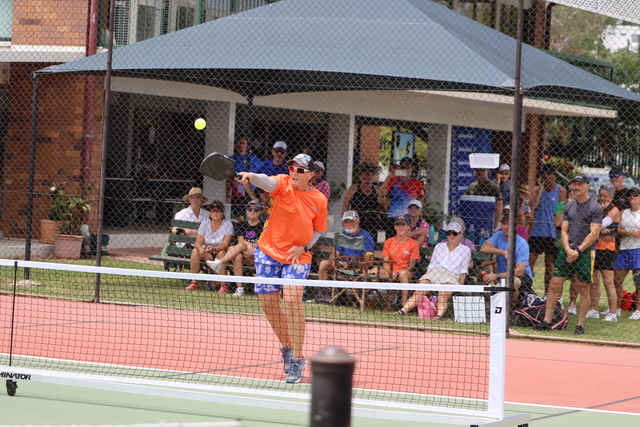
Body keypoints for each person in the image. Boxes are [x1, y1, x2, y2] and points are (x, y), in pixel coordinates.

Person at [237, 153, 328, 384]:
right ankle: (287, 347)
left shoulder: (319, 199)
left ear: (310, 174)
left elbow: (319, 229)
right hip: (268, 252)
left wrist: (305, 247)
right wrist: (251, 176)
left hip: (298, 256)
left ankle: (297, 359)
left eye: (300, 170)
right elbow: (266, 181)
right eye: (292, 168)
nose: (294, 172)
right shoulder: (282, 183)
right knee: (269, 305)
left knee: (292, 303)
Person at [535, 176, 602, 335]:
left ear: (587, 186)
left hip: (585, 252)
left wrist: (578, 250)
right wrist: (567, 249)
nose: (576, 187)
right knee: (554, 283)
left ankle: (580, 325)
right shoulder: (569, 206)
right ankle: (547, 321)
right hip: (566, 251)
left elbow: (594, 233)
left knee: (583, 286)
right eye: (574, 184)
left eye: (579, 184)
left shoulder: (595, 207)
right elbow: (563, 230)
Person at [395, 222, 471, 318]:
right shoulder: (439, 246)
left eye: (454, 233)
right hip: (434, 272)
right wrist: (427, 276)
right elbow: (432, 264)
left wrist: (461, 285)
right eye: (449, 233)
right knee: (420, 290)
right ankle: (403, 310)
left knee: (443, 294)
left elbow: (463, 270)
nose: (451, 235)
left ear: (460, 234)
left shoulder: (465, 249)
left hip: (451, 274)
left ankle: (438, 316)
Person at [206, 200, 264, 296]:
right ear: (246, 210)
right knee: (238, 256)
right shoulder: (241, 225)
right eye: (250, 209)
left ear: (260, 211)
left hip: (257, 254)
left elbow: (261, 242)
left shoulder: (263, 225)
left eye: (256, 209)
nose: (252, 211)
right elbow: (240, 240)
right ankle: (240, 288)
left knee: (240, 247)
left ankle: (220, 262)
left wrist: (250, 245)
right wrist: (248, 244)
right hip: (245, 252)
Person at [315, 210, 374, 304]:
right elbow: (335, 253)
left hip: (358, 267)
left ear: (358, 222)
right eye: (346, 222)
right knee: (323, 264)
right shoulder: (342, 236)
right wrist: (335, 261)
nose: (348, 224)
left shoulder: (366, 236)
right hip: (342, 266)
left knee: (356, 264)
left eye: (351, 221)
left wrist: (351, 264)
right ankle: (323, 298)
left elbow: (368, 258)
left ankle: (356, 300)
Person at [528, 163, 566, 295]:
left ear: (554, 175)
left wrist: (559, 231)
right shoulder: (537, 189)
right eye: (544, 174)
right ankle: (527, 289)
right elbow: (532, 206)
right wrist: (539, 189)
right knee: (530, 262)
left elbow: (561, 211)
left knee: (549, 264)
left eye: (549, 174)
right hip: (537, 231)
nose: (546, 176)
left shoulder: (560, 191)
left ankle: (547, 294)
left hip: (552, 232)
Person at [480, 213, 534, 304]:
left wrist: (496, 275)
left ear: (516, 226)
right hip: (503, 277)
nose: (506, 226)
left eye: (509, 224)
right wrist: (503, 252)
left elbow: (519, 272)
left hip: (522, 278)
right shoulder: (499, 235)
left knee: (512, 281)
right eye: (504, 224)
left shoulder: (522, 244)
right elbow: (484, 247)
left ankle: (512, 308)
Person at [186, 200, 234, 292]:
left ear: (222, 213)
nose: (216, 213)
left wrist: (214, 249)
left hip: (220, 250)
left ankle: (223, 286)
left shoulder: (228, 224)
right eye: (213, 211)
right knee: (195, 251)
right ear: (210, 213)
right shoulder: (205, 223)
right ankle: (194, 283)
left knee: (221, 253)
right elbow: (198, 242)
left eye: (218, 211)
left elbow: (226, 244)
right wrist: (201, 249)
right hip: (207, 252)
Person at [588, 185, 620, 321]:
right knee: (594, 281)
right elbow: (592, 224)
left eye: (605, 196)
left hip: (607, 249)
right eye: (600, 195)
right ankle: (594, 309)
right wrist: (597, 227)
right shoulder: (597, 208)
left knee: (608, 281)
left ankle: (612, 313)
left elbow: (599, 224)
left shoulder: (614, 210)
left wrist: (597, 227)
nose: (602, 198)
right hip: (594, 248)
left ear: (611, 197)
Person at [380, 215, 421, 307]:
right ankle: (366, 300)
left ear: (408, 227)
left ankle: (403, 304)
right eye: (398, 225)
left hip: (405, 271)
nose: (400, 227)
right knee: (374, 271)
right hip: (390, 270)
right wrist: (392, 272)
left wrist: (398, 273)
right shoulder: (389, 241)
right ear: (395, 227)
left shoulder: (413, 244)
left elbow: (412, 265)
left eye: (403, 225)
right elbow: (385, 262)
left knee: (403, 274)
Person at [612, 186, 640, 321]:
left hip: (638, 249)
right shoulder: (623, 212)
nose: (632, 197)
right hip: (624, 249)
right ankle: (616, 308)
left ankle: (638, 310)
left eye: (635, 195)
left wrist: (637, 233)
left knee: (638, 282)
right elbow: (617, 231)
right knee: (617, 279)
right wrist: (629, 232)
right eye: (630, 195)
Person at [381, 157, 425, 231]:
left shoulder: (416, 183)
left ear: (412, 168)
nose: (404, 169)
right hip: (393, 216)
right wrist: (390, 175)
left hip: (409, 217)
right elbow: (382, 193)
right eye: (402, 167)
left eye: (407, 167)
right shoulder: (393, 180)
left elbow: (421, 200)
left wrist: (416, 212)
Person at [342, 163, 385, 235]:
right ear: (360, 176)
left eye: (368, 174)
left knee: (370, 239)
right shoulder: (353, 188)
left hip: (372, 222)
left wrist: (382, 202)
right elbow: (345, 207)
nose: (366, 176)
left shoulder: (377, 190)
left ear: (372, 176)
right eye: (363, 174)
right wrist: (343, 227)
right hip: (356, 220)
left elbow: (383, 209)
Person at [228, 137, 261, 222]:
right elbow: (228, 177)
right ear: (236, 144)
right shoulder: (232, 159)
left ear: (247, 145)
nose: (241, 145)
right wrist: (228, 193)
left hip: (252, 191)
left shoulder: (253, 158)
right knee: (239, 217)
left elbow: (259, 174)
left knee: (252, 214)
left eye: (244, 143)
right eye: (240, 143)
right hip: (238, 192)